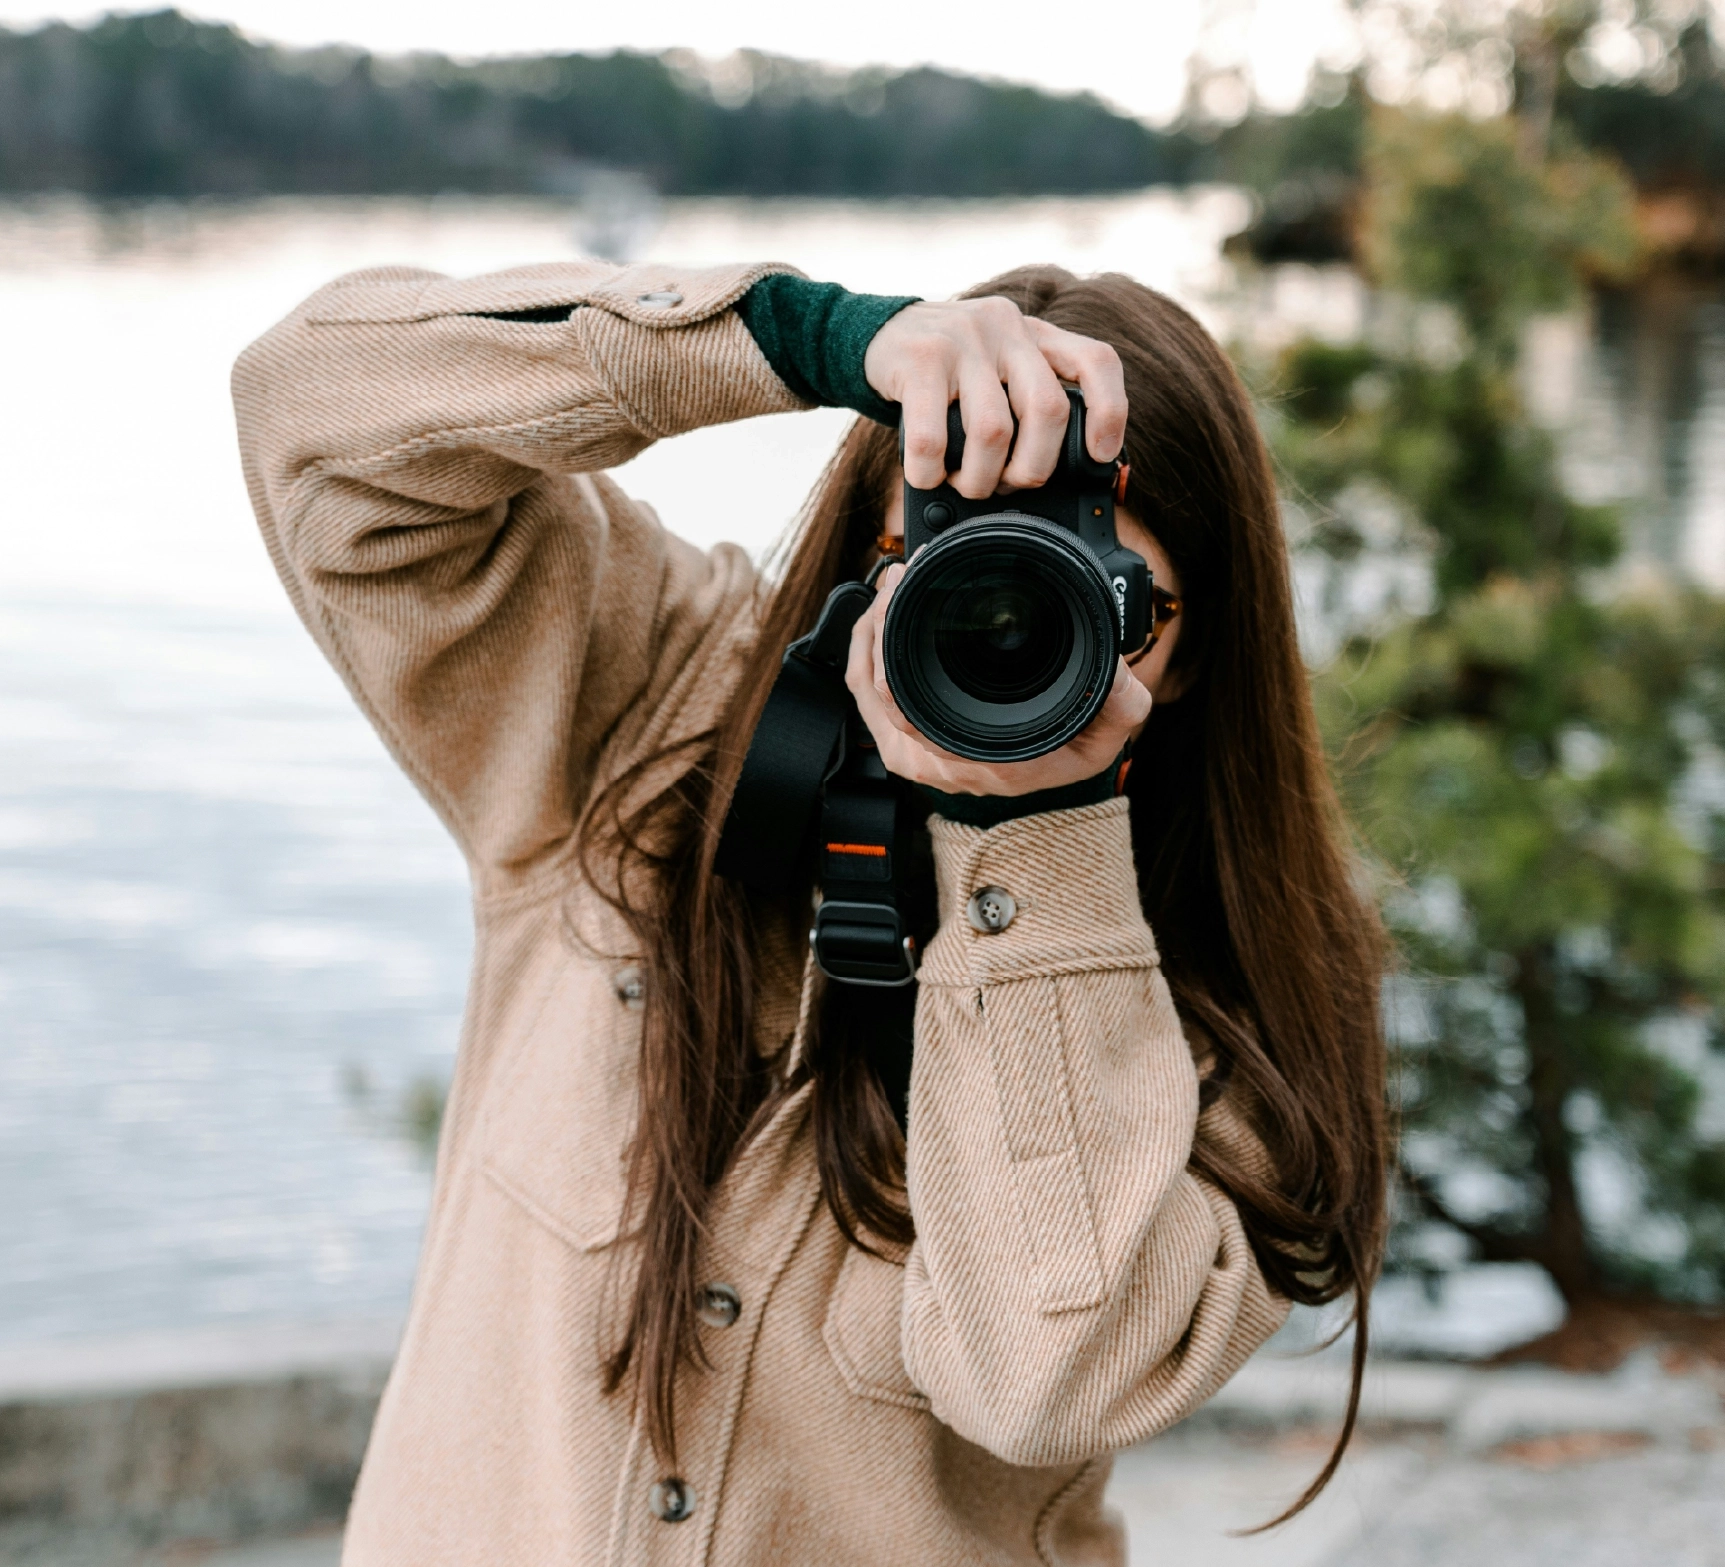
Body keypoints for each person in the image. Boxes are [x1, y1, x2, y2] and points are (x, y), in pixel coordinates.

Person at [233, 257, 1388, 1566]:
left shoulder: (1222, 1023)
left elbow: (1048, 1375)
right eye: (941, 558)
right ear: (864, 551)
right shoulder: (641, 708)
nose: (997, 628)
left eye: (1102, 609)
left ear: (1193, 657)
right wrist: (803, 338)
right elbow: (310, 411)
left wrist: (1034, 840)